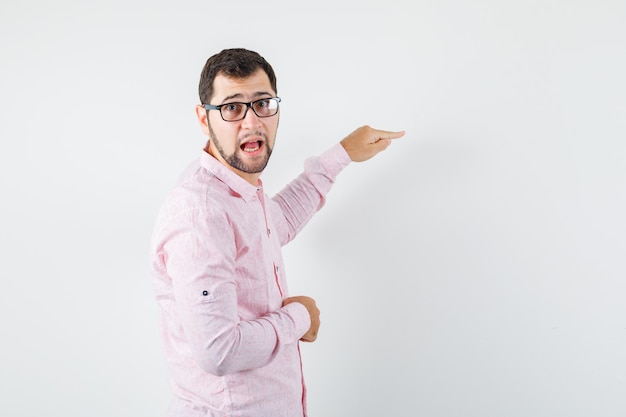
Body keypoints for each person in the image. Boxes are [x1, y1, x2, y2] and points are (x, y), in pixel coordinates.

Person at [150, 47, 405, 417]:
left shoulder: (235, 191)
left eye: (262, 103)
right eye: (232, 107)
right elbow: (218, 350)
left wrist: (342, 154)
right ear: (204, 119)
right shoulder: (201, 213)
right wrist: (299, 316)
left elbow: (275, 222)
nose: (251, 123)